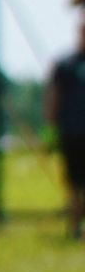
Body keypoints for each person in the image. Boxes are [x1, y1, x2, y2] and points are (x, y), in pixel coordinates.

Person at [46, 17, 85, 241]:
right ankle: (75, 227)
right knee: (74, 183)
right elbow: (54, 96)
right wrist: (50, 126)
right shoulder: (66, 64)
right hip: (72, 132)